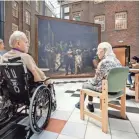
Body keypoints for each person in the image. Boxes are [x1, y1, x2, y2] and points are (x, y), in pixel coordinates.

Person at [2, 31, 56, 110]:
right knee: (48, 81)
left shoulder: (4, 57)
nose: (28, 44)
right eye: (26, 42)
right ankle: (50, 102)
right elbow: (35, 72)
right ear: (18, 43)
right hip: (27, 90)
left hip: (11, 90)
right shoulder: (25, 57)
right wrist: (42, 82)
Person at [75, 42, 122, 112]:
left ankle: (81, 104)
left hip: (107, 90)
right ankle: (90, 105)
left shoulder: (104, 62)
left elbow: (95, 81)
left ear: (103, 50)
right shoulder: (117, 61)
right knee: (90, 82)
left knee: (85, 84)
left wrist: (90, 80)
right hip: (118, 89)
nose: (97, 53)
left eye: (98, 50)